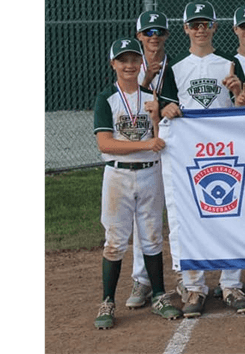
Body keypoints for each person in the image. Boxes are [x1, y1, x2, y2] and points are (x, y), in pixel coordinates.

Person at [159, 1, 245, 318]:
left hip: (225, 149)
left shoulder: (228, 64)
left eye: (205, 24)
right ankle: (195, 286)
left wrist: (240, 95)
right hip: (190, 153)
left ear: (214, 27)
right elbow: (166, 108)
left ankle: (230, 284)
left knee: (229, 213)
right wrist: (165, 109)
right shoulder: (175, 68)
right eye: (194, 24)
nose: (200, 29)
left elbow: (243, 109)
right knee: (190, 215)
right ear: (185, 28)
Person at [92, 38, 182, 329]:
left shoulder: (150, 97)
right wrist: (146, 144)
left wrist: (157, 117)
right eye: (123, 60)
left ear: (140, 63)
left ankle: (158, 295)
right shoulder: (107, 98)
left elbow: (160, 139)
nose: (129, 65)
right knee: (115, 241)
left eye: (133, 60)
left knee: (153, 236)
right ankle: (107, 301)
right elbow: (105, 144)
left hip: (149, 173)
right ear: (113, 64)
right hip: (118, 175)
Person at [123, 10, 171, 310]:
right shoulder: (130, 70)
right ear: (140, 36)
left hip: (173, 144)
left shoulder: (176, 66)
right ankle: (141, 279)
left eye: (159, 32)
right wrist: (147, 78)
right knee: (145, 219)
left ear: (166, 35)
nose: (154, 37)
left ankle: (185, 275)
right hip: (143, 151)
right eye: (148, 33)